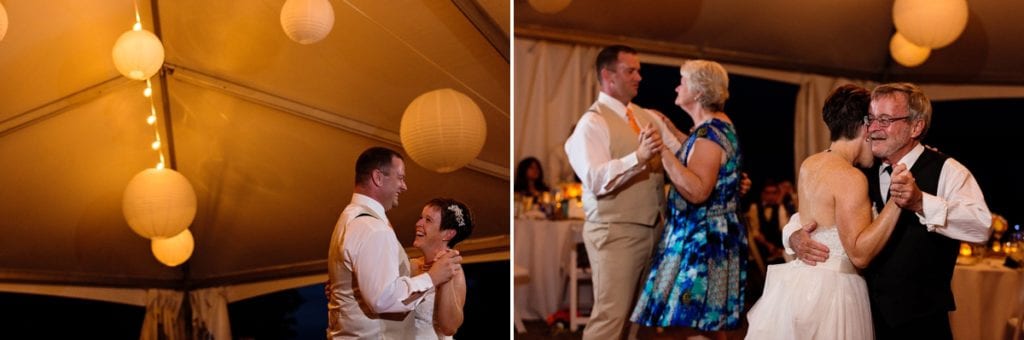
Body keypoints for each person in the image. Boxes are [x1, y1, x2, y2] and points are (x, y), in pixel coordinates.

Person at [785, 83, 991, 339]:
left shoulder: (948, 170)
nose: (873, 128)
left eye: (885, 119)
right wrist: (793, 235)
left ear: (916, 126)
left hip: (922, 323)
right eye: (871, 119)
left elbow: (982, 226)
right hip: (861, 316)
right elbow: (819, 214)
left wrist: (920, 203)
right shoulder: (858, 169)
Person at [746, 84, 903, 339]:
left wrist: (792, 234)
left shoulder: (810, 163)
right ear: (865, 128)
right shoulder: (851, 177)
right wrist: (897, 200)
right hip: (836, 293)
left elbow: (810, 221)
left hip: (801, 285)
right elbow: (860, 256)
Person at [564, 44, 682, 340]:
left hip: (654, 228)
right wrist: (637, 157)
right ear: (608, 76)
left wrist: (721, 171)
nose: (639, 77)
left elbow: (682, 154)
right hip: (614, 231)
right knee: (610, 316)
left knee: (637, 318)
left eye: (639, 70)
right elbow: (594, 178)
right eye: (631, 70)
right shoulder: (592, 123)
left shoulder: (646, 116)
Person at [630, 59, 746, 339]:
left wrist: (662, 150)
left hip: (701, 242)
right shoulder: (711, 129)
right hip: (711, 237)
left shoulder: (710, 134)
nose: (677, 86)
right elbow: (698, 153)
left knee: (694, 323)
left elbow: (697, 190)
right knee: (704, 324)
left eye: (682, 81)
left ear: (697, 91)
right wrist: (670, 130)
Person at [326, 147, 463, 339]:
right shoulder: (373, 227)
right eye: (400, 177)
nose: (404, 186)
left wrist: (348, 286)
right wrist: (431, 278)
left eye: (429, 220)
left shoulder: (351, 217)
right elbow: (383, 298)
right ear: (378, 178)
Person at [410, 198, 474, 339]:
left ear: (448, 234)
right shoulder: (411, 265)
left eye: (428, 220)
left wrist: (445, 277)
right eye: (421, 218)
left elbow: (449, 327)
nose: (418, 224)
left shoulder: (455, 272)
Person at [746, 181, 790, 265]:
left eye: (774, 193)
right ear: (762, 194)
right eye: (768, 193)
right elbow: (755, 233)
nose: (771, 196)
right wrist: (769, 246)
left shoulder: (780, 208)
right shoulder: (754, 207)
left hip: (779, 248)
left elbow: (784, 228)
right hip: (762, 248)